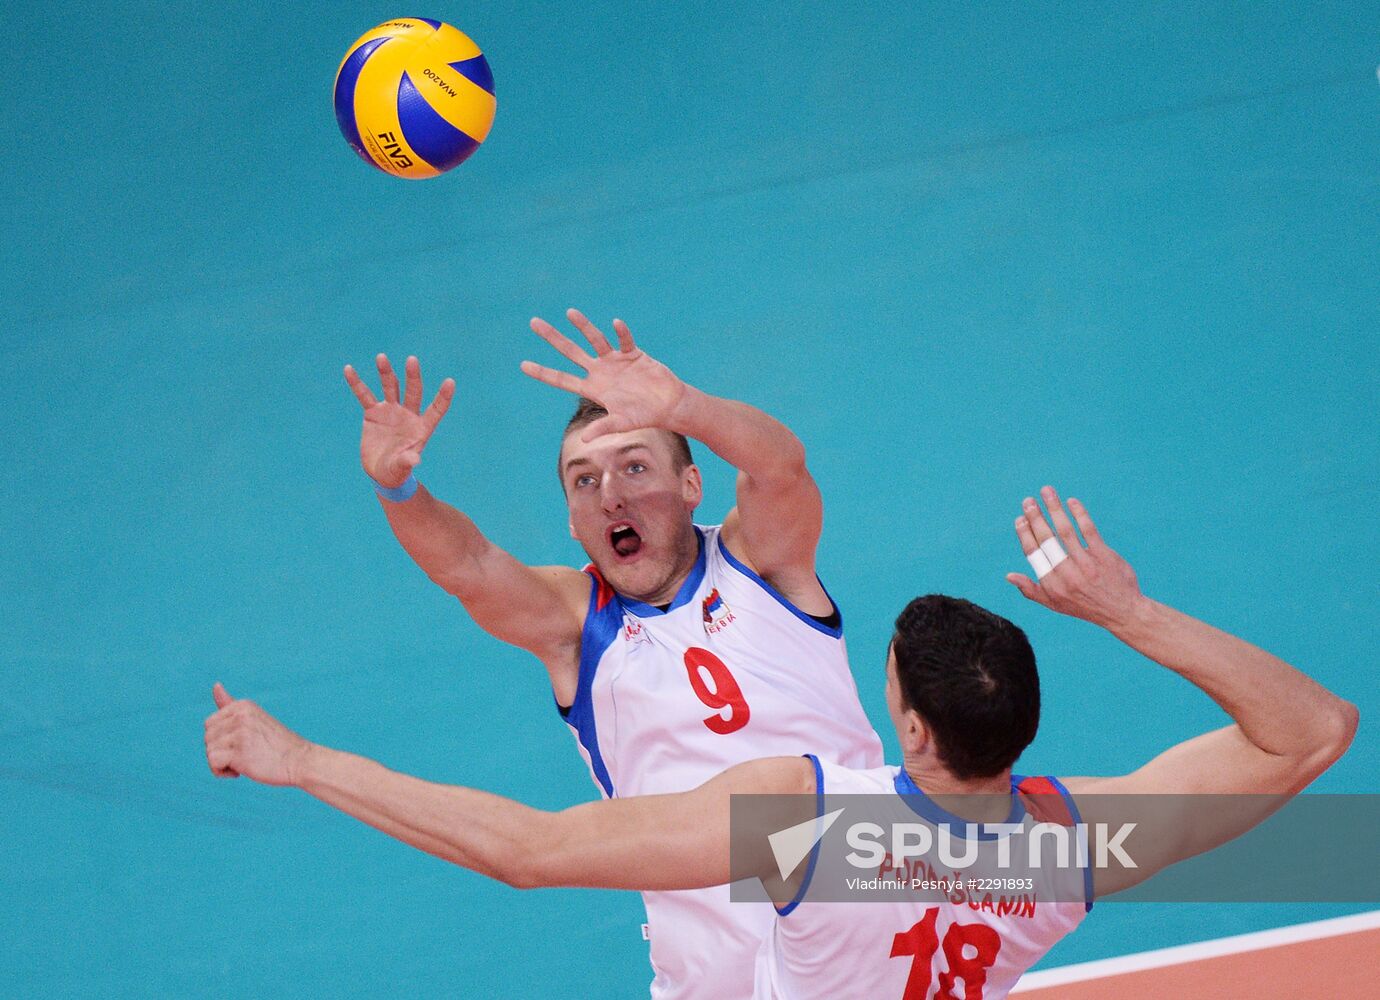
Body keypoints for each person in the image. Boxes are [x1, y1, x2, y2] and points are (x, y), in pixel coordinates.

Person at [205, 488, 1358, 998]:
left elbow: (528, 850)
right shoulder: (1068, 847)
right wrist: (1130, 612)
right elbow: (1312, 735)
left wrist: (301, 760)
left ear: (908, 725)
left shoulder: (815, 828)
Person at [340, 310, 883, 997]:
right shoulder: (575, 624)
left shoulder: (760, 564)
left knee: (1042, 851)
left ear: (692, 487)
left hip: (868, 941)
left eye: (634, 466)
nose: (611, 494)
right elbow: (469, 566)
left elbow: (780, 467)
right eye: (584, 480)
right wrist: (399, 489)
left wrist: (688, 408)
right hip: (718, 980)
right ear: (570, 520)